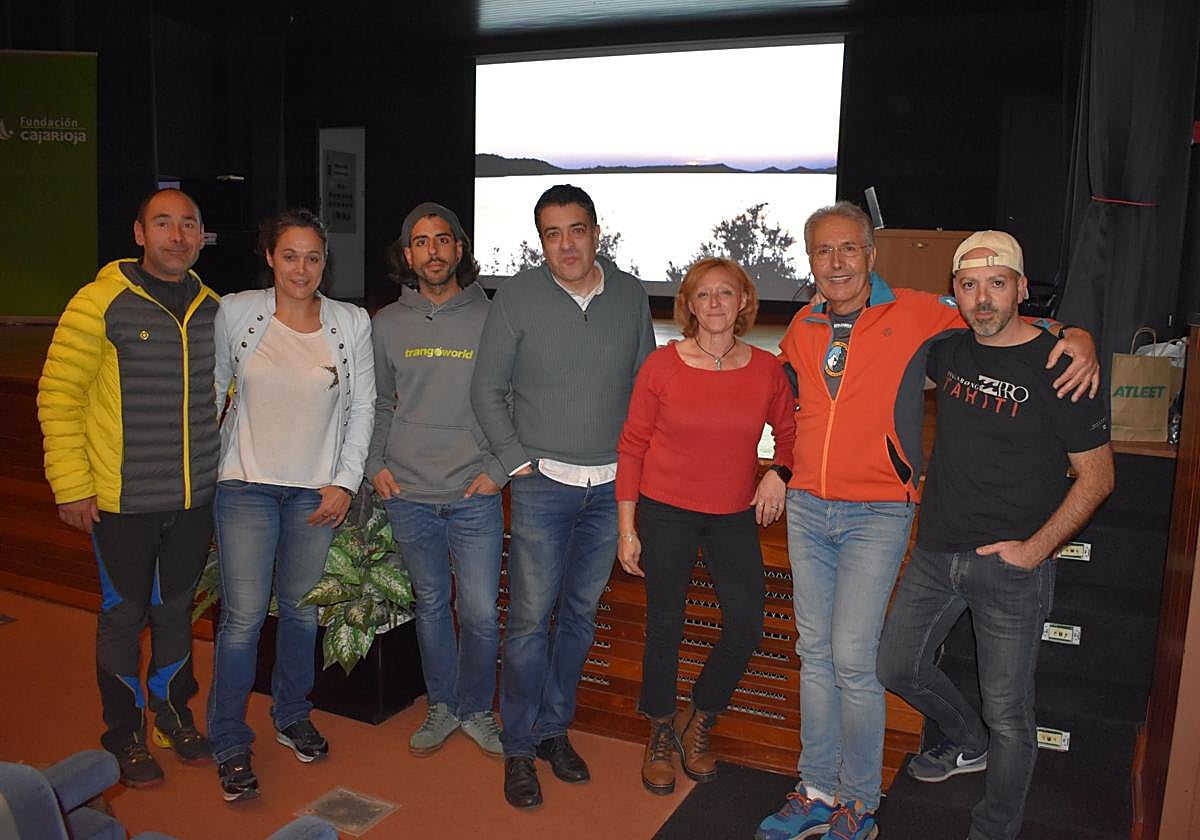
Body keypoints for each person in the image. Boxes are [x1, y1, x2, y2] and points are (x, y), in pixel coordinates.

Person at [755, 202, 1100, 840]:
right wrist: (779, 467)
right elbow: (789, 402)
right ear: (810, 261)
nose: (836, 262)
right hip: (807, 510)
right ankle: (817, 788)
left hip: (877, 511)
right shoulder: (802, 324)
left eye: (848, 248)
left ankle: (858, 801)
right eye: (823, 251)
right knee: (814, 655)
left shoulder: (917, 313)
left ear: (870, 254)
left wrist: (1077, 333)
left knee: (854, 660)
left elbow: (1003, 316)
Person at [876, 231, 1113, 840]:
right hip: (936, 553)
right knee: (896, 667)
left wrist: (1034, 551)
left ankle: (994, 829)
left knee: (1009, 713)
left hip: (1011, 568)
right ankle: (967, 740)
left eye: (997, 284)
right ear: (954, 292)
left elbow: (1098, 477)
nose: (983, 299)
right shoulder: (949, 351)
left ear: (1022, 289)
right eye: (970, 285)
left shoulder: (1061, 366)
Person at [471, 184, 656, 809]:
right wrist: (515, 461)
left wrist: (638, 473)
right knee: (529, 621)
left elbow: (645, 389)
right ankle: (519, 746)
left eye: (576, 230)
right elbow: (486, 389)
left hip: (610, 492)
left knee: (579, 616)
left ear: (596, 232)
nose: (566, 245)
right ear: (540, 242)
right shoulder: (516, 297)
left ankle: (553, 730)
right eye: (552, 234)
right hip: (542, 488)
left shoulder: (630, 295)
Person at [37, 188, 220, 787]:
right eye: (163, 223)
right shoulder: (98, 303)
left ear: (201, 236)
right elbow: (58, 396)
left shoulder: (214, 308)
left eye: (188, 224)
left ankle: (172, 715)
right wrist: (71, 485)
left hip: (192, 498)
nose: (177, 235)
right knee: (124, 614)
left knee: (175, 611)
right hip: (121, 501)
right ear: (140, 233)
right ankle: (124, 732)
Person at [206, 208, 375, 803]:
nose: (301, 269)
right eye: (290, 256)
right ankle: (229, 738)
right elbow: (213, 390)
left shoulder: (350, 322)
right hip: (244, 488)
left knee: (302, 613)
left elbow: (363, 408)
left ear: (325, 262)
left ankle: (291, 714)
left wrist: (344, 483)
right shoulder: (236, 313)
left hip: (314, 493)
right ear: (269, 257)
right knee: (244, 618)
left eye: (313, 257)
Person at [615, 257, 795, 796]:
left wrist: (778, 473)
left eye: (726, 293)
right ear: (689, 306)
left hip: (732, 513)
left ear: (744, 303)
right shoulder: (662, 367)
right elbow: (632, 446)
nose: (715, 303)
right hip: (665, 510)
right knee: (664, 627)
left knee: (747, 626)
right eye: (703, 294)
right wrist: (627, 528)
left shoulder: (766, 370)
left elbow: (790, 435)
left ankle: (699, 715)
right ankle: (659, 731)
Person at [367, 202, 506, 759]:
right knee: (430, 605)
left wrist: (497, 470)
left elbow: (512, 399)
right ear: (408, 255)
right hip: (409, 493)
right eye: (421, 242)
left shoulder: (493, 318)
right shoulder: (386, 324)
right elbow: (378, 402)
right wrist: (374, 465)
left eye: (443, 240)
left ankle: (477, 710)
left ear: (459, 248)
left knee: (479, 613)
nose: (433, 252)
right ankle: (442, 707)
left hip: (474, 493)